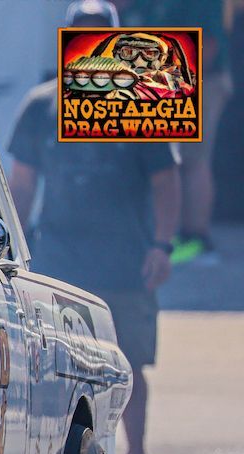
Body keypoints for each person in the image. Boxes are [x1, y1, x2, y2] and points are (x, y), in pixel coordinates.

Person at [9, 0, 180, 454]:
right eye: (81, 34)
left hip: (126, 257)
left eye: (100, 33)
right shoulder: (42, 105)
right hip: (60, 259)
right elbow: (21, 184)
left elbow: (166, 180)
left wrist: (163, 245)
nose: (92, 46)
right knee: (56, 369)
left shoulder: (143, 96)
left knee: (131, 366)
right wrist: (15, 250)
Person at [118, 0, 233, 265]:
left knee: (191, 160)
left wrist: (168, 84)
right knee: (157, 161)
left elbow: (209, 46)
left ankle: (196, 239)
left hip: (199, 78)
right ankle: (157, 237)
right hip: (154, 79)